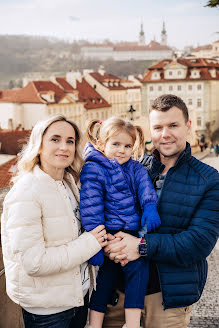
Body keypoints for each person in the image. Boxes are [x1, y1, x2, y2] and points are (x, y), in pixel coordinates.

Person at [103, 94, 219, 328]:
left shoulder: (209, 179)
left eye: (173, 125)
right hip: (119, 293)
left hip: (166, 300)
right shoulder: (133, 168)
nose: (165, 134)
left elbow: (199, 242)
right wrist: (108, 243)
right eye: (158, 127)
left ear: (188, 126)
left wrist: (141, 247)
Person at [1, 114, 107, 328]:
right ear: (38, 145)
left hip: (76, 298)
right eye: (55, 139)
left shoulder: (68, 182)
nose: (64, 147)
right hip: (48, 309)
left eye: (70, 141)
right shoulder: (26, 191)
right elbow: (34, 262)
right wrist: (89, 244)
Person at [79, 117, 161, 328]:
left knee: (138, 271)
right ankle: (94, 324)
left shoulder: (135, 167)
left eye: (127, 146)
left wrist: (150, 206)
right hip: (106, 232)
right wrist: (97, 242)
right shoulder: (94, 168)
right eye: (115, 144)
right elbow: (91, 206)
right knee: (104, 281)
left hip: (131, 232)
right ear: (101, 144)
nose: (122, 150)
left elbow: (145, 188)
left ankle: (132, 324)